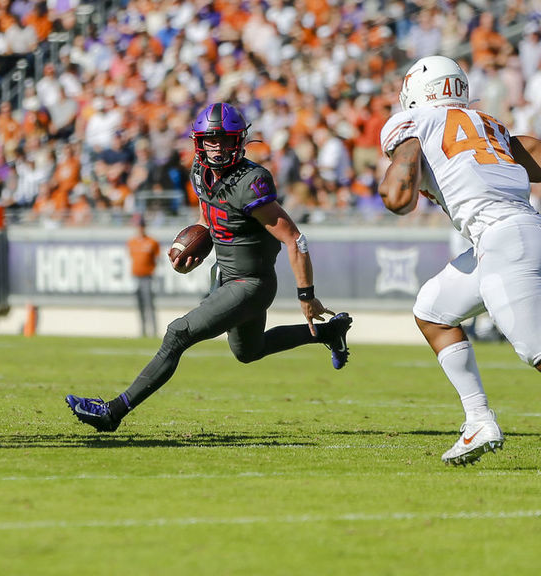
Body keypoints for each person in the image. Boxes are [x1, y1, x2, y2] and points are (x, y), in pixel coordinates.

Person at [65, 102, 352, 432]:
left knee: (177, 334)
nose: (217, 147)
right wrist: (199, 247)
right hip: (227, 276)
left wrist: (306, 296)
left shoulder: (251, 181)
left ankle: (112, 412)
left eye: (225, 139)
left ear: (239, 141)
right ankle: (331, 332)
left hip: (251, 284)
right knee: (249, 351)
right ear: (198, 141)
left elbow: (294, 239)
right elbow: (209, 218)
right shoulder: (200, 173)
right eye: (210, 139)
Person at [378, 55, 541, 466]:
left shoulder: (412, 124)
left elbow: (402, 179)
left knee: (535, 350)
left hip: (505, 238)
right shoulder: (488, 124)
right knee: (433, 309)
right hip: (509, 235)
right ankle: (478, 420)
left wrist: (401, 174)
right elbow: (533, 148)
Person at [127, 214, 161, 337]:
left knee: (149, 304)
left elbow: (157, 258)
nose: (140, 228)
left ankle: (154, 330)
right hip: (136, 277)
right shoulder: (132, 242)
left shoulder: (152, 242)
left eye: (141, 225)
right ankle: (143, 330)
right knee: (139, 305)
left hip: (147, 277)